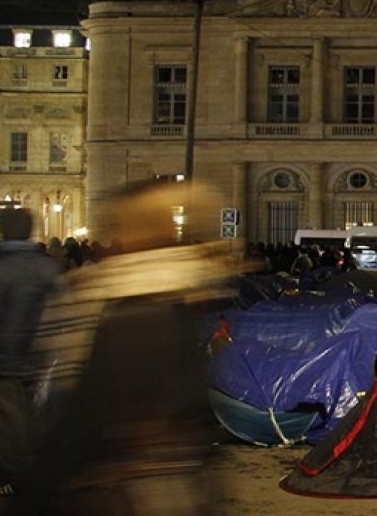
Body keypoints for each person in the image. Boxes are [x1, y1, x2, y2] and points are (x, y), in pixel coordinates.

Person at [16, 180, 229, 515]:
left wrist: (35, 494)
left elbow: (76, 414)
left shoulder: (106, 301)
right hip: (176, 483)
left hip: (120, 488)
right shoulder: (184, 296)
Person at [0, 208, 64, 498]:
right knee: (32, 418)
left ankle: (13, 478)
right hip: (40, 358)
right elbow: (62, 311)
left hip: (3, 358)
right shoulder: (47, 267)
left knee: (7, 424)